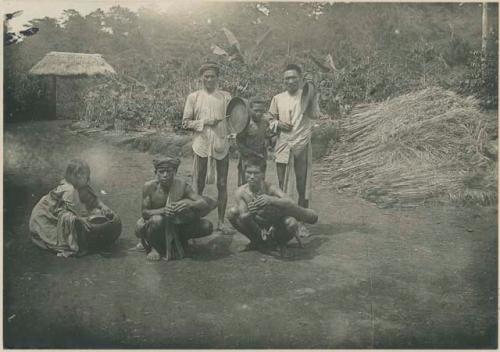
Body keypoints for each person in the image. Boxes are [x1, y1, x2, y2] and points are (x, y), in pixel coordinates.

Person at [268, 63, 320, 237]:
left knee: (301, 185)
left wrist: (312, 96)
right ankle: (281, 222)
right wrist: (278, 124)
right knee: (281, 186)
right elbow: (270, 118)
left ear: (300, 78)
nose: (289, 81)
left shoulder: (306, 96)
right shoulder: (277, 98)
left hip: (302, 143)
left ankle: (302, 223)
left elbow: (314, 115)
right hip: (283, 144)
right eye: (286, 78)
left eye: (293, 78)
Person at [29, 159, 121, 257]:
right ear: (76, 177)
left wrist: (103, 207)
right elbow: (77, 212)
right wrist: (87, 218)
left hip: (64, 209)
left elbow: (94, 199)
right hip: (46, 217)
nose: (88, 179)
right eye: (85, 177)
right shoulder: (70, 190)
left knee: (97, 214)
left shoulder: (82, 186)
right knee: (78, 222)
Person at [227, 159, 318, 257]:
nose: (252, 177)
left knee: (291, 222)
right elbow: (243, 217)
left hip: (276, 224)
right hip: (257, 225)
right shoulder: (241, 192)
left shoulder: (270, 188)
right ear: (244, 173)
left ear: (263, 174)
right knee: (232, 213)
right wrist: (251, 212)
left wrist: (271, 200)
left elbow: (290, 202)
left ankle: (281, 245)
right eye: (249, 173)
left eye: (256, 173)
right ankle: (256, 241)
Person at [135, 156, 217, 261]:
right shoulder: (149, 187)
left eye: (169, 171)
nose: (165, 175)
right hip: (156, 225)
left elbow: (203, 203)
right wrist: (163, 211)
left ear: (175, 172)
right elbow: (145, 213)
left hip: (177, 224)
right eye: (161, 172)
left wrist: (189, 204)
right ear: (156, 173)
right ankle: (155, 247)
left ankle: (181, 240)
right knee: (157, 220)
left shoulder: (182, 185)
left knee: (206, 226)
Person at [182, 61, 231, 233]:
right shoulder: (193, 97)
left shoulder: (226, 97)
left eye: (213, 76)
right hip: (201, 145)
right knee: (199, 182)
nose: (209, 79)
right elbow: (185, 123)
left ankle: (221, 222)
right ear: (201, 78)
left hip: (221, 144)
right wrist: (204, 122)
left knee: (223, 183)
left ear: (218, 78)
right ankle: (195, 220)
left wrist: (232, 132)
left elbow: (233, 119)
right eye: (206, 76)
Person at [236, 95, 271, 186]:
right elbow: (239, 143)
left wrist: (267, 142)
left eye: (261, 111)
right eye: (256, 111)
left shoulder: (265, 122)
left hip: (261, 159)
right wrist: (251, 153)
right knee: (246, 186)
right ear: (250, 109)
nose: (259, 113)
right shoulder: (245, 123)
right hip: (247, 160)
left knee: (260, 184)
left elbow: (267, 136)